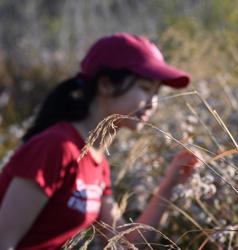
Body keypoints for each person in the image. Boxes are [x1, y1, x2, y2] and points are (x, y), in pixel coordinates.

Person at [0, 33, 199, 249]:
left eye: (156, 92)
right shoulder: (57, 148)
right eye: (144, 88)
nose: (153, 102)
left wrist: (169, 186)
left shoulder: (97, 162)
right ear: (105, 85)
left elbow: (125, 245)